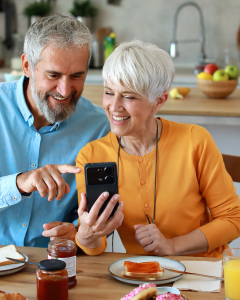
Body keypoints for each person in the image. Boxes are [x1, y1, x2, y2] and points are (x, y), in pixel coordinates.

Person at [0, 14, 109, 247]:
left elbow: (99, 218)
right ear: (27, 66)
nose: (65, 89)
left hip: (52, 263)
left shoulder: (99, 126)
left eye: (77, 76)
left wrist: (81, 233)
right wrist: (19, 183)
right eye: (53, 75)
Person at [74, 40, 240, 257]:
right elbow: (97, 246)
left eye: (129, 96)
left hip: (203, 274)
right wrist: (87, 235)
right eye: (109, 92)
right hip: (141, 276)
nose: (114, 106)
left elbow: (232, 219)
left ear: (158, 101)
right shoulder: (91, 156)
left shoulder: (194, 140)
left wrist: (173, 245)